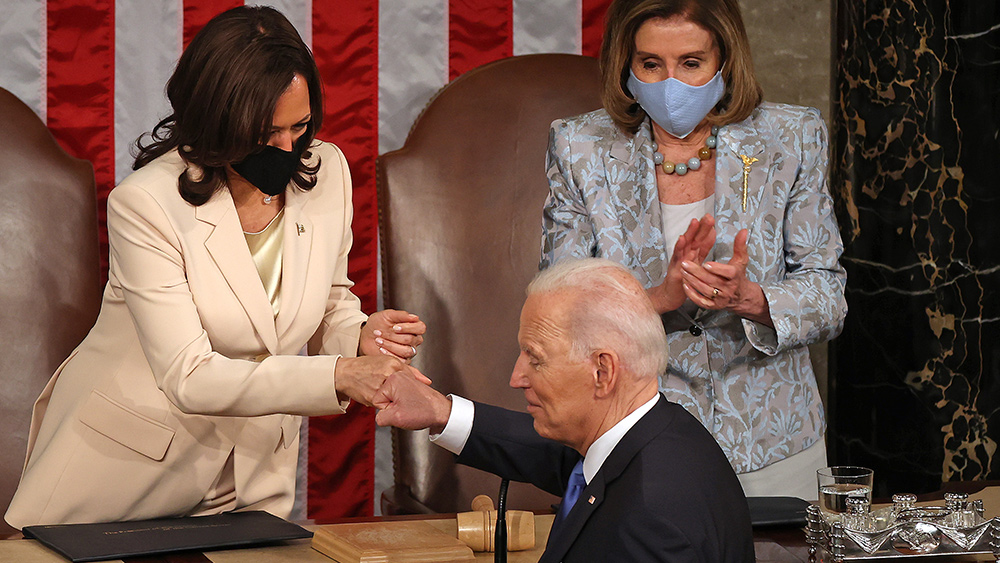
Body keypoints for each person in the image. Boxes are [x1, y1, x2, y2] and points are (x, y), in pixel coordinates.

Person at [4, 6, 425, 529]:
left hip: (251, 482)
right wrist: (340, 374)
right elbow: (189, 376)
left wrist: (360, 335)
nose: (289, 148)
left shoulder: (329, 172)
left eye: (300, 125)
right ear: (217, 119)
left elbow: (330, 300)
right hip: (122, 476)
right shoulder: (146, 204)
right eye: (266, 132)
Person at [540, 0, 847, 498]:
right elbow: (560, 309)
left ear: (725, 59)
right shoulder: (579, 147)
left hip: (773, 441)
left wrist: (750, 299)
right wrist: (660, 297)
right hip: (636, 441)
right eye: (650, 65)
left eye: (690, 63)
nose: (670, 84)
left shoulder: (791, 137)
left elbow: (830, 296)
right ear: (626, 64)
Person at [374, 258, 754, 563]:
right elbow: (562, 460)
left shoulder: (647, 523)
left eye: (535, 359)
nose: (516, 377)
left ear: (602, 371)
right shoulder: (666, 433)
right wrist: (441, 411)